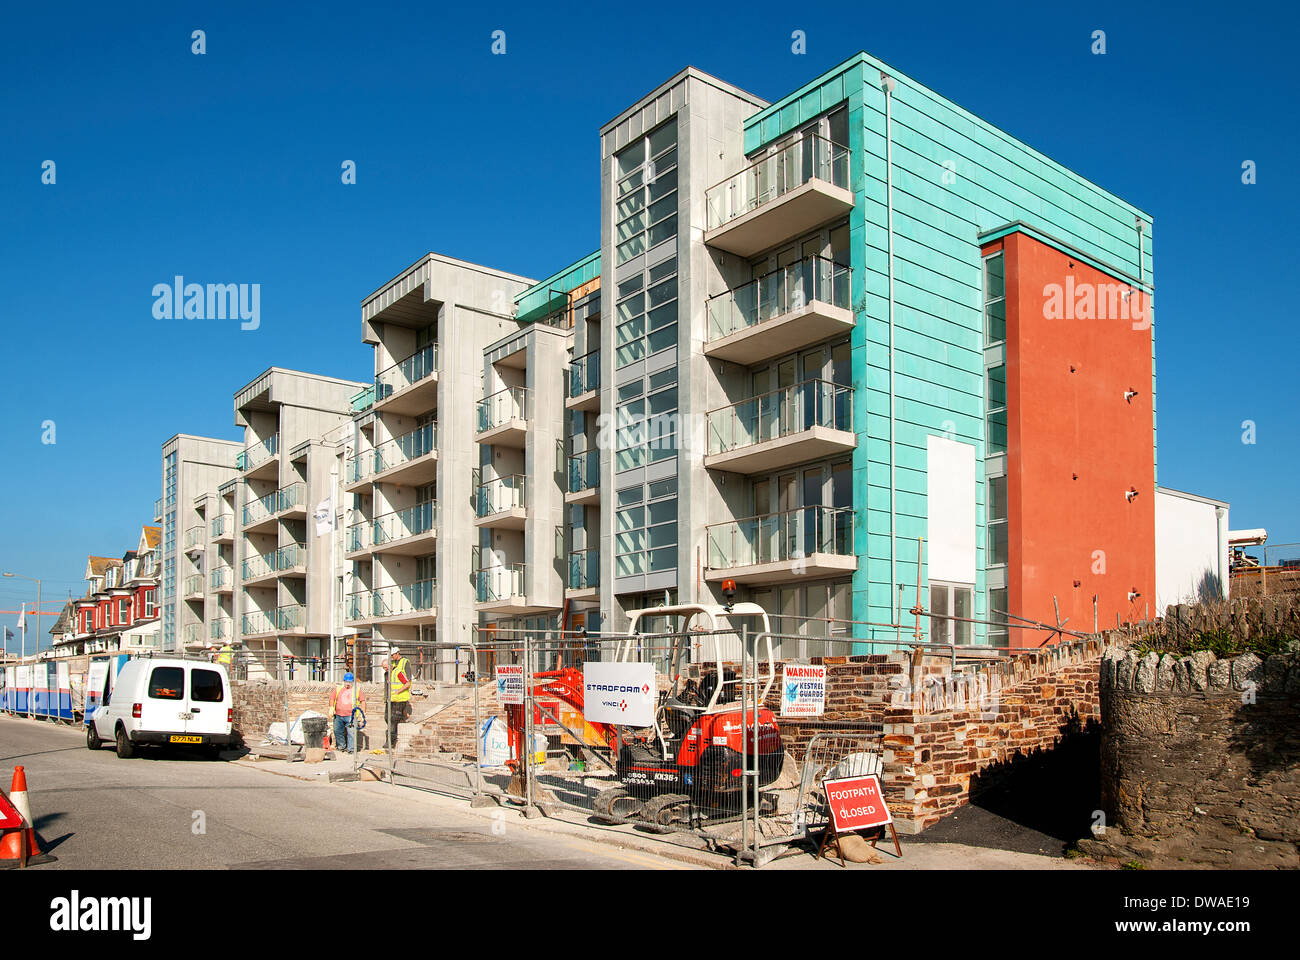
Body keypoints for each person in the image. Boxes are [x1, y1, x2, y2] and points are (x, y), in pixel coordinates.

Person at [329, 673, 364, 753]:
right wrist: (331, 707)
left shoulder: (357, 690)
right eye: (346, 682)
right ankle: (341, 747)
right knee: (337, 731)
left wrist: (363, 713)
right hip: (338, 715)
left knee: (351, 733)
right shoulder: (338, 689)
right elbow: (332, 698)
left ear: (353, 682)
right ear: (343, 681)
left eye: (349, 682)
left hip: (351, 716)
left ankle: (351, 749)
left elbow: (362, 701)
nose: (348, 684)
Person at [385, 647, 412, 748]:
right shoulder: (394, 667)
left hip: (401, 697)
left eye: (392, 655)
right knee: (390, 718)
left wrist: (398, 692)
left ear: (397, 653)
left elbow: (407, 681)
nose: (391, 658)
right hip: (394, 698)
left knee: (394, 719)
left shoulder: (404, 663)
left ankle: (391, 742)